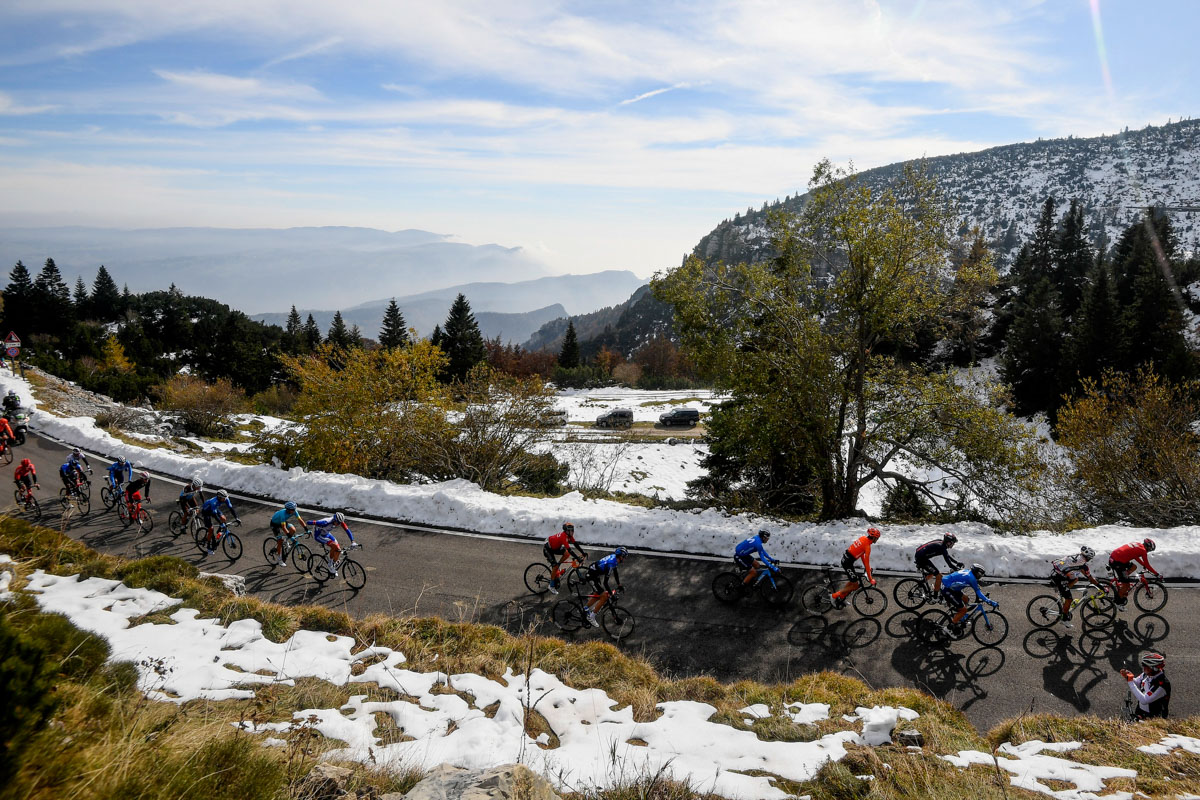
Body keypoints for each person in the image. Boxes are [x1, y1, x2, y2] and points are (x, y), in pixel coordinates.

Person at [1050, 545, 1101, 627]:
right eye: (1090, 558)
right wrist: (1101, 587)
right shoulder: (1082, 563)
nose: (1089, 560)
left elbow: (1084, 574)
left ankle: (1063, 592)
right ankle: (1064, 619)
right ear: (1088, 557)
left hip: (1058, 572)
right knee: (1069, 599)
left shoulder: (1078, 557)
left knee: (1075, 579)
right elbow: (1090, 578)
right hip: (1058, 577)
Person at [940, 564, 998, 635]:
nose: (980, 577)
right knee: (963, 610)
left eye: (981, 575)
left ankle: (959, 614)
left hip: (952, 588)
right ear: (975, 572)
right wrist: (990, 601)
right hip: (947, 589)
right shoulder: (971, 578)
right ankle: (947, 629)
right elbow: (978, 593)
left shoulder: (968, 572)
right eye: (979, 574)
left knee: (966, 599)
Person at [831, 527, 881, 609]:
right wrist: (870, 578)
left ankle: (842, 597)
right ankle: (834, 595)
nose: (877, 540)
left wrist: (867, 568)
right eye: (877, 538)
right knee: (855, 586)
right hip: (847, 563)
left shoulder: (863, 538)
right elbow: (867, 562)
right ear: (874, 537)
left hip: (847, 561)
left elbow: (862, 555)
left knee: (853, 581)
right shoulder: (867, 546)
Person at [582, 547, 628, 627]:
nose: (625, 559)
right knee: (604, 596)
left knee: (598, 593)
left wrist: (619, 585)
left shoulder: (614, 559)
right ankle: (591, 617)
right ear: (620, 556)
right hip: (591, 576)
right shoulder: (610, 564)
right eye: (624, 557)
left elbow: (616, 573)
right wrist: (611, 594)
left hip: (595, 574)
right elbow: (605, 583)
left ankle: (585, 608)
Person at [1108, 539, 1160, 608]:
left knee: (1133, 567)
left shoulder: (1139, 545)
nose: (1148, 551)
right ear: (1147, 546)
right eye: (1149, 550)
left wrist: (1143, 565)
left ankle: (1122, 578)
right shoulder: (1143, 550)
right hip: (1117, 562)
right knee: (1127, 585)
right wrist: (1157, 574)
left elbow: (1135, 556)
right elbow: (1147, 564)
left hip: (1116, 558)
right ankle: (1117, 603)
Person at [1120, 652, 1170, 720]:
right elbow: (1138, 682)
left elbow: (1144, 700)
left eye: (1146, 667)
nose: (1143, 669)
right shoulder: (1147, 673)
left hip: (1154, 718)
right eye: (1143, 666)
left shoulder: (1162, 684)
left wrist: (1130, 682)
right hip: (1141, 711)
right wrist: (1128, 677)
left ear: (1154, 668)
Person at [544, 522, 588, 594]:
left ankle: (558, 564)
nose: (573, 532)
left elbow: (575, 544)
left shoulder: (569, 536)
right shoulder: (563, 537)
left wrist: (583, 552)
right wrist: (577, 558)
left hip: (555, 547)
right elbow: (570, 550)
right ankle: (551, 586)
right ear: (567, 531)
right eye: (571, 530)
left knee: (566, 553)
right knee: (555, 567)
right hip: (548, 549)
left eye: (573, 530)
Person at [310, 512, 359, 576]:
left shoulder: (339, 521)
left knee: (338, 549)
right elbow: (309, 522)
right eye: (338, 522)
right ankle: (330, 565)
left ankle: (333, 564)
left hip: (326, 534)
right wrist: (316, 523)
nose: (338, 524)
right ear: (334, 520)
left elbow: (347, 530)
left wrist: (352, 541)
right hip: (319, 536)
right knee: (334, 546)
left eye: (340, 523)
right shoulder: (326, 522)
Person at [200, 489, 241, 554]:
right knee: (211, 529)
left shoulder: (226, 499)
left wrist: (237, 518)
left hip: (215, 509)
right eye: (223, 498)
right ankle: (208, 547)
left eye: (225, 498)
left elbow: (231, 509)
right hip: (206, 511)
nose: (225, 499)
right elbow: (214, 515)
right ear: (219, 497)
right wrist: (221, 523)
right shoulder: (214, 501)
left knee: (223, 518)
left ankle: (219, 531)